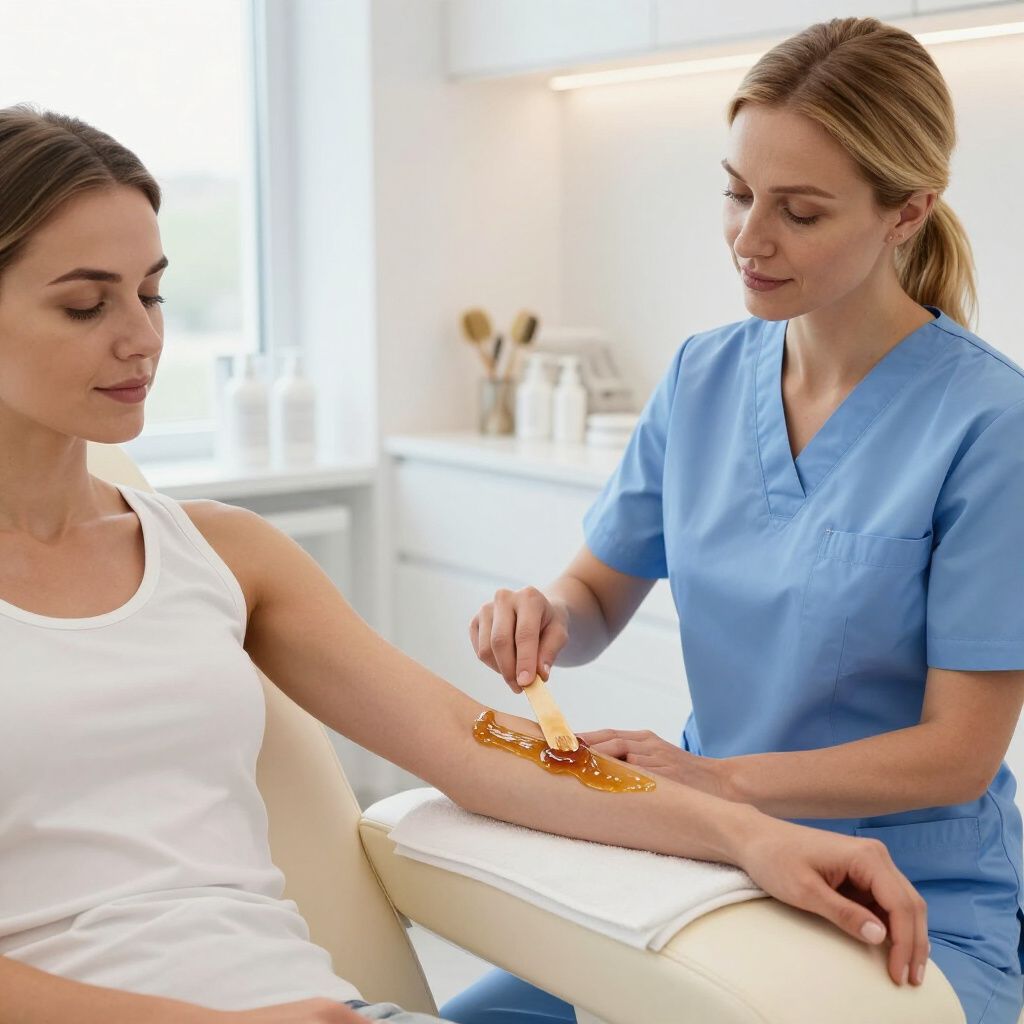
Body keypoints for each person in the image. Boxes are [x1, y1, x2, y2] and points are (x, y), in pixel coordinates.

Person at [0, 101, 930, 1024]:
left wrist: (749, 835)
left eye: (152, 293)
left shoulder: (222, 554)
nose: (144, 337)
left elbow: (476, 748)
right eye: (86, 304)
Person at [446, 15, 1024, 1024]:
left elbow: (956, 753)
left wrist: (712, 777)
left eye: (797, 212)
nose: (749, 240)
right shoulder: (702, 376)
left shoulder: (988, 425)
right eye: (736, 192)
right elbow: (595, 594)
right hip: (710, 861)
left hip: (907, 902)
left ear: (907, 212)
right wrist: (544, 615)